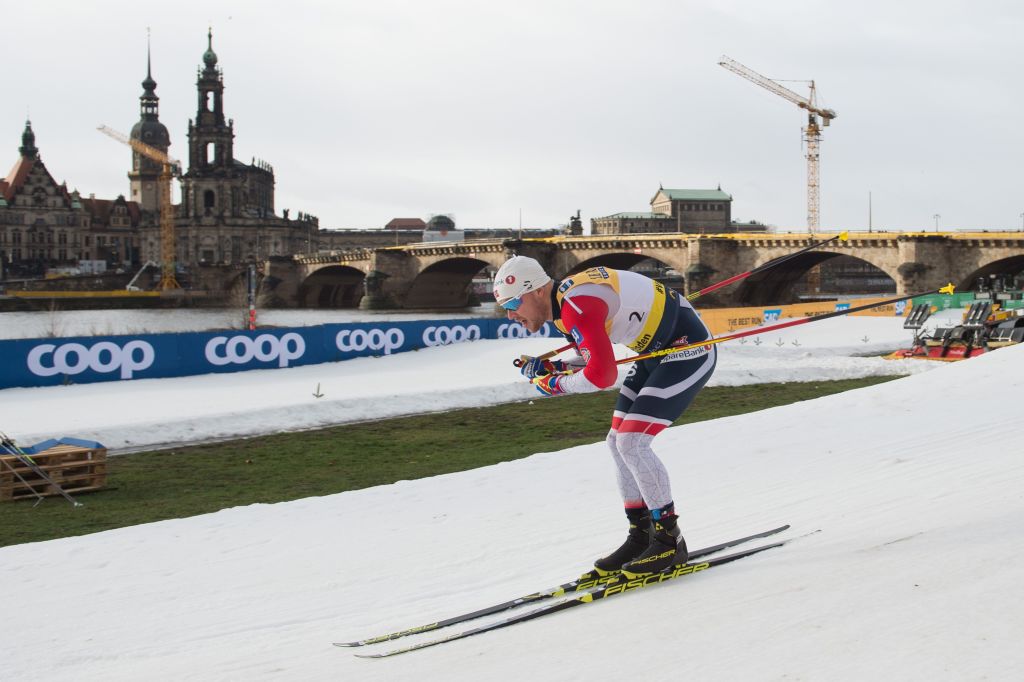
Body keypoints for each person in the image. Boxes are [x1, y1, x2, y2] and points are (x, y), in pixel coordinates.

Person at [493, 255, 717, 578]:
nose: (511, 314)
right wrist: (553, 367)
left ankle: (669, 540)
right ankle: (641, 536)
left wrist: (554, 385)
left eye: (514, 303)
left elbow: (602, 375)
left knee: (632, 442)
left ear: (538, 291)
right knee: (616, 442)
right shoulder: (562, 306)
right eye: (505, 308)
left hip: (688, 351)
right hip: (655, 352)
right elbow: (591, 354)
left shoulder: (574, 307)